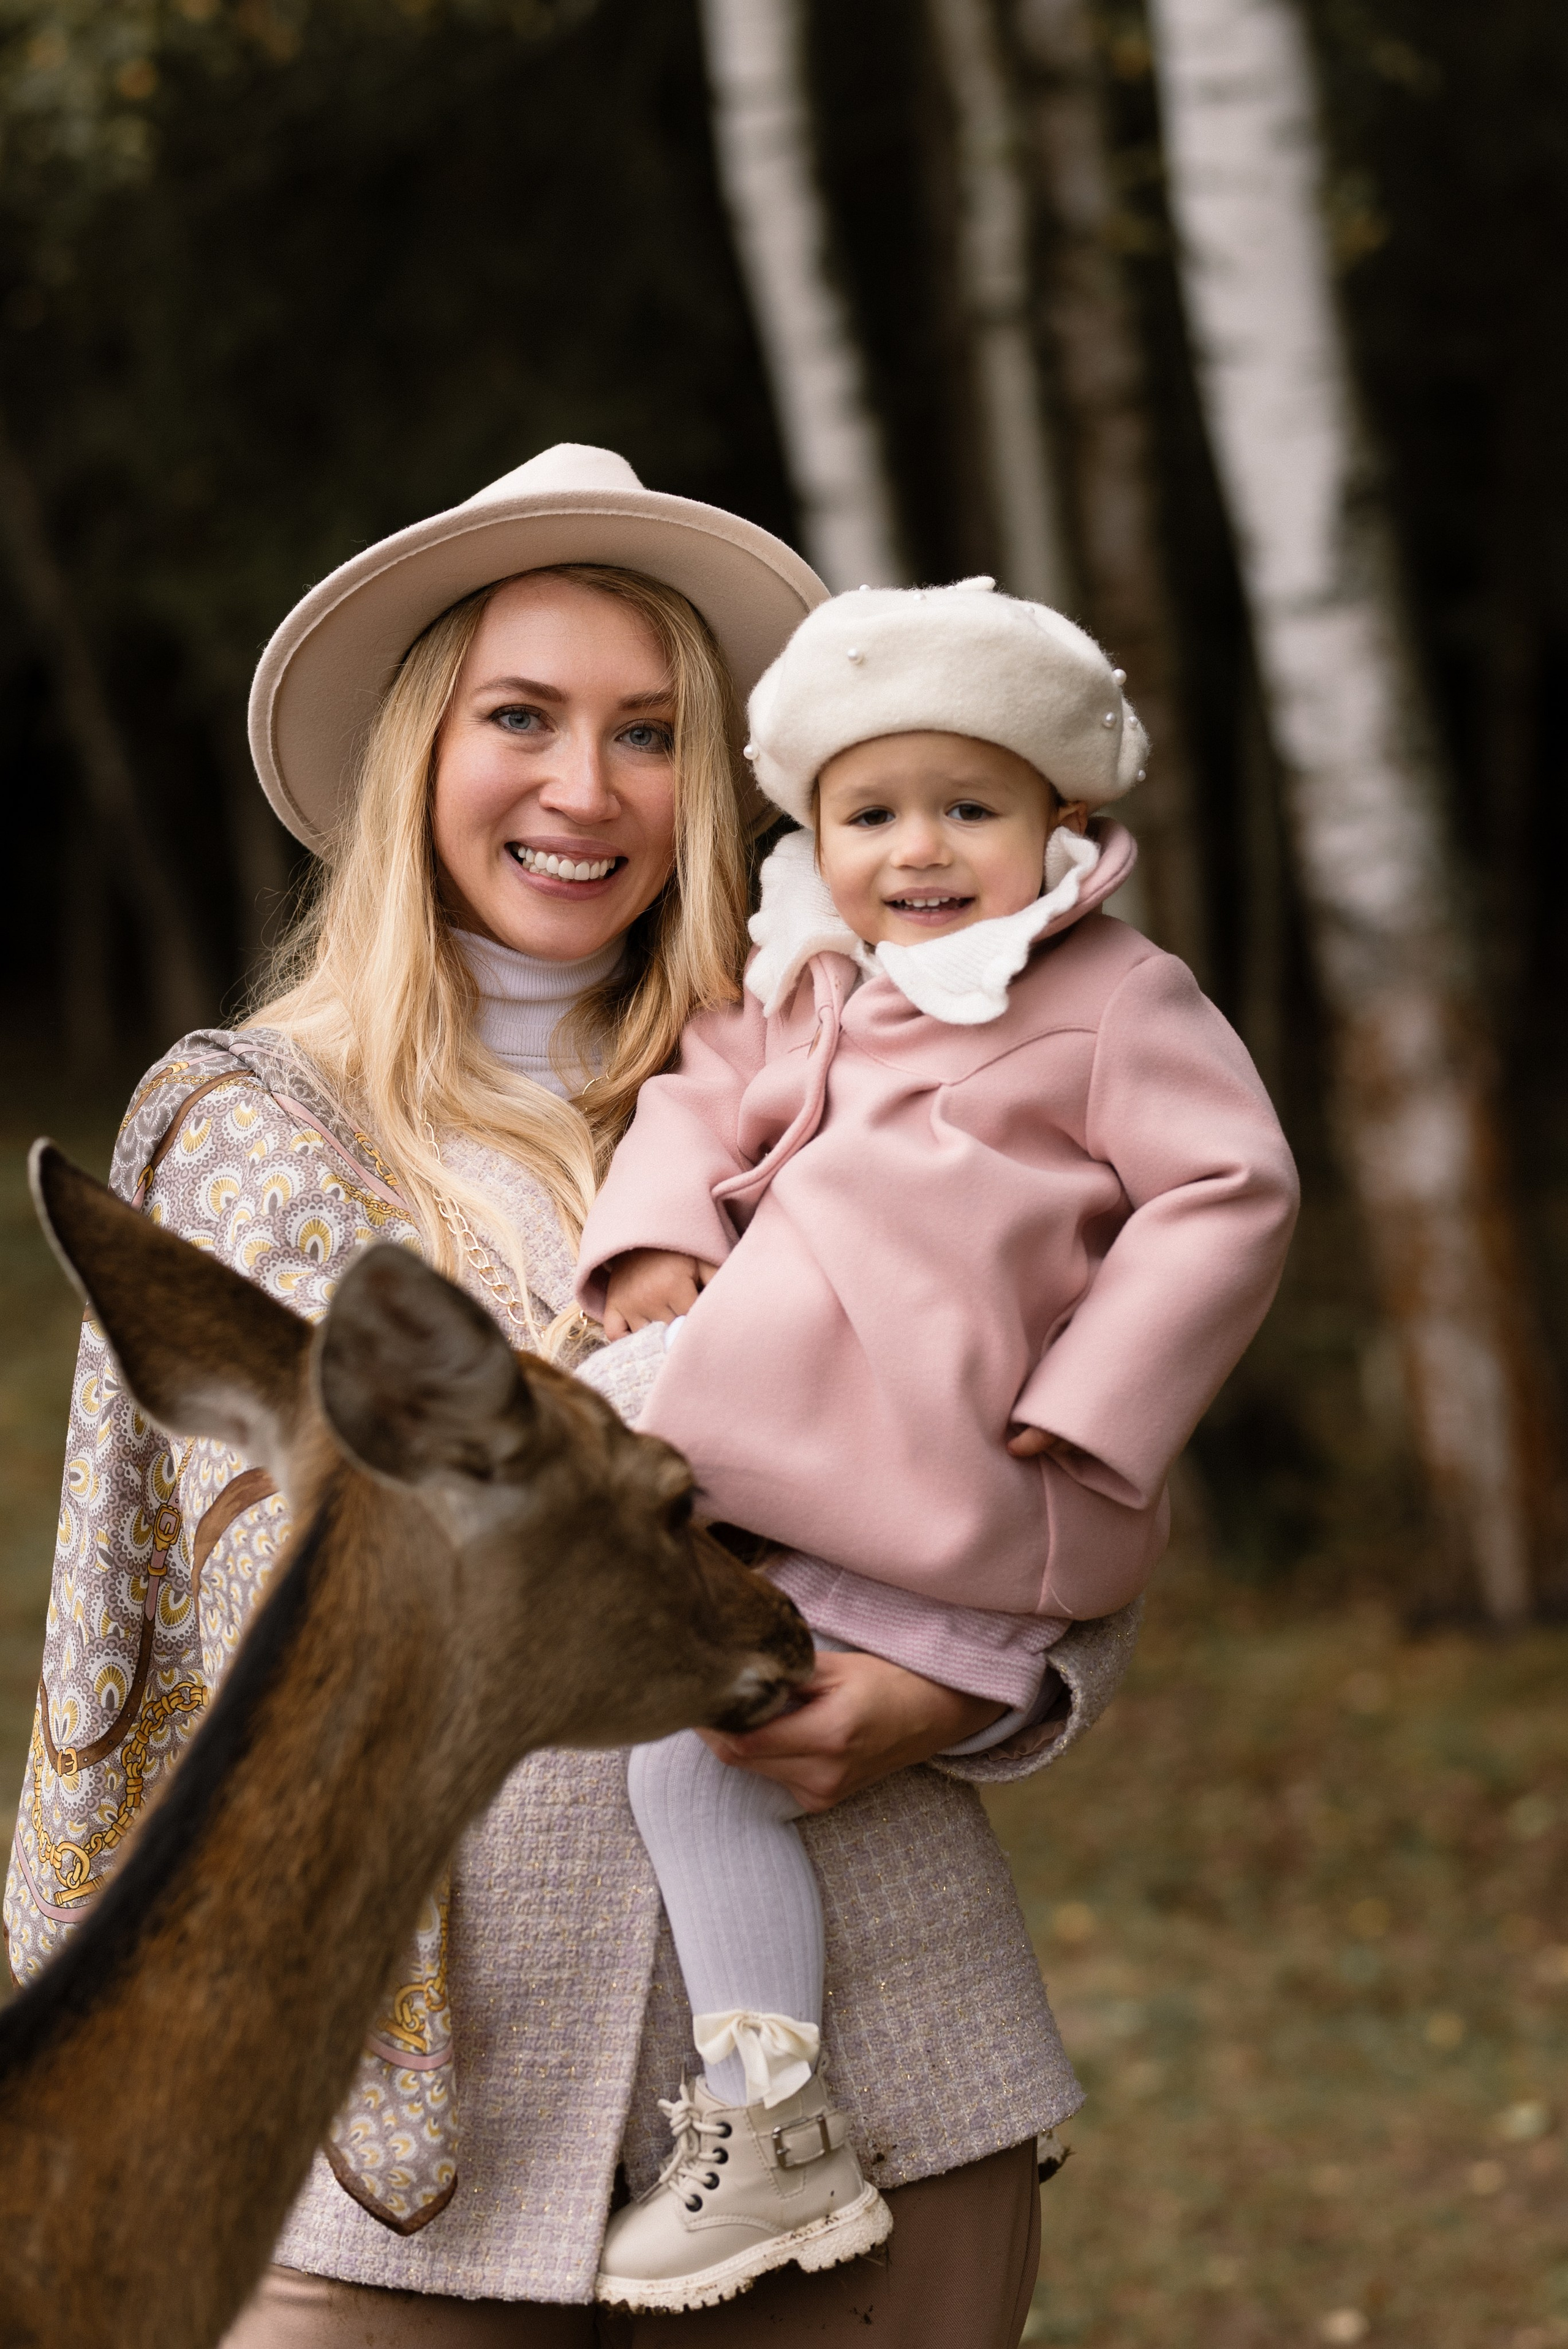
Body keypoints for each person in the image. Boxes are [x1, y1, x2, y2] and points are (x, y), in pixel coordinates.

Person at [6, 447, 1142, 2348]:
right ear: (416, 752)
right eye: (520, 715)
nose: (582, 787)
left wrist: (983, 1676)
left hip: (860, 2052)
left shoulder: (854, 1087)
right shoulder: (245, 1125)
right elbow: (247, 1583)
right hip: (393, 2126)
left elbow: (1077, 1420)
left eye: (646, 733)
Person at [575, 578, 1300, 2312]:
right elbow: (694, 1088)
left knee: (687, 1755)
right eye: (871, 814)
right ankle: (765, 2117)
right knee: (677, 1747)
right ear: (813, 832)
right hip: (811, 1473)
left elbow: (1231, 1192)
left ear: (1059, 819)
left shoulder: (1111, 994)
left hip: (967, 1495)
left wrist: (1096, 1399)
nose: (919, 852)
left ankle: (772, 2125)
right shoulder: (816, 982)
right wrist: (656, 1233)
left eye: (969, 807)